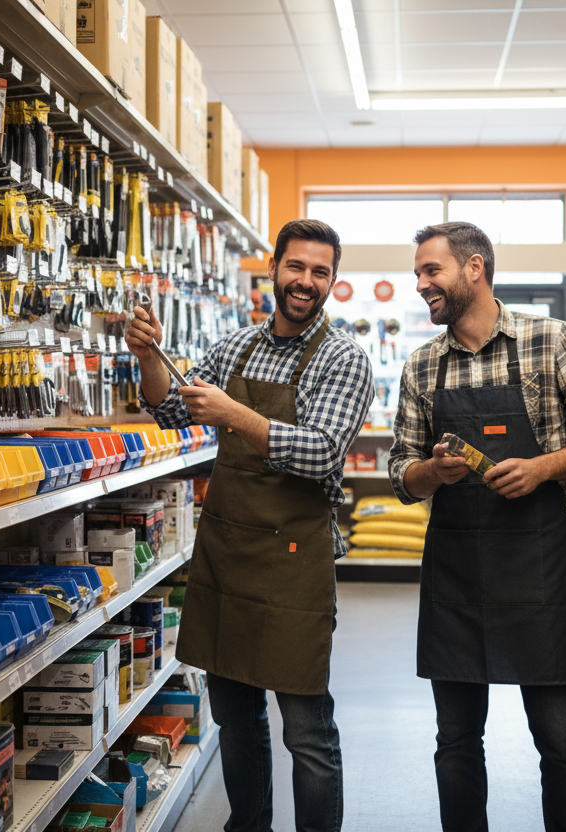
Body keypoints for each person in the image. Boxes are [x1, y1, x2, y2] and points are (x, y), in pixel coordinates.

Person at [126, 218, 373, 832]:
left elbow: (322, 450)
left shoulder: (344, 358)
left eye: (320, 272)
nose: (306, 281)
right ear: (275, 269)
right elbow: (168, 409)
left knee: (306, 729)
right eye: (296, 267)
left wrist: (237, 415)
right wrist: (148, 356)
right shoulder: (235, 347)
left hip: (293, 565)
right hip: (227, 556)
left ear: (333, 282)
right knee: (236, 717)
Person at [387, 221, 566, 832]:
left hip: (536, 572)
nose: (420, 284)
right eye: (418, 273)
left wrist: (544, 468)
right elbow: (400, 473)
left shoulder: (550, 341)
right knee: (456, 743)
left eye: (430, 270)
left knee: (561, 741)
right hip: (456, 579)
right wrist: (432, 474)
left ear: (474, 268)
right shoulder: (422, 367)